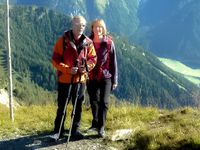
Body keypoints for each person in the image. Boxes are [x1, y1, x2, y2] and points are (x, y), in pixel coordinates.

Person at [51, 15, 97, 139]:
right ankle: (58, 130)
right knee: (62, 106)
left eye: (83, 25)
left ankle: (74, 130)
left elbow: (93, 58)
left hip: (80, 80)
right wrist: (68, 69)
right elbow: (55, 60)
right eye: (77, 25)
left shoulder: (88, 42)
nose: (80, 28)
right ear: (72, 25)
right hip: (65, 79)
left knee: (78, 106)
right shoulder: (62, 41)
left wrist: (86, 67)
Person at [87, 19, 118, 138]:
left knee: (104, 102)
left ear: (103, 29)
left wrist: (115, 80)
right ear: (92, 28)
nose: (98, 29)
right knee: (94, 101)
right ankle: (95, 122)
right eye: (96, 27)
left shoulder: (109, 43)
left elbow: (114, 62)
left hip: (106, 76)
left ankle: (101, 127)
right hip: (91, 76)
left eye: (100, 27)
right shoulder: (87, 42)